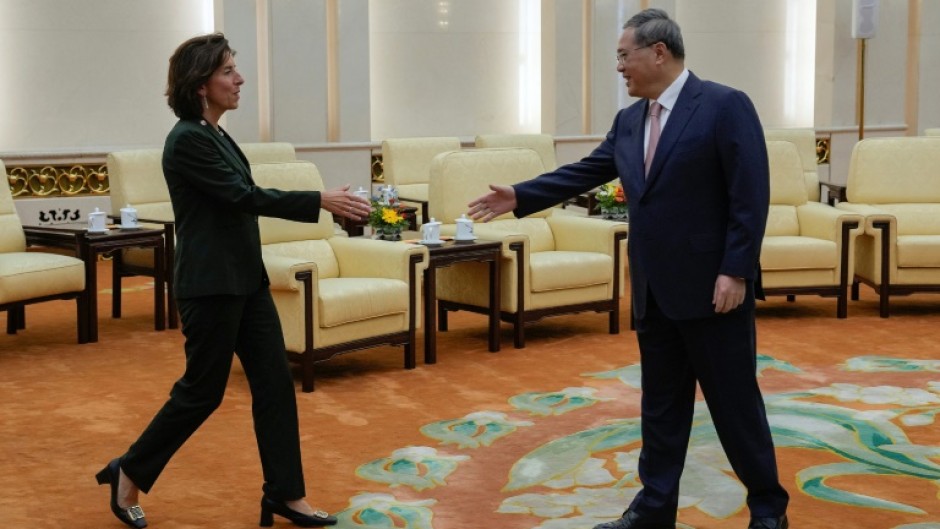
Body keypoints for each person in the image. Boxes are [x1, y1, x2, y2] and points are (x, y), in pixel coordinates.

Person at [467, 9, 789, 529]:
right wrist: (521, 195)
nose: (619, 67)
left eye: (624, 55)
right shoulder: (630, 120)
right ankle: (654, 510)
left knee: (735, 408)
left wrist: (736, 271)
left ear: (658, 52)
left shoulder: (725, 106)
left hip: (713, 291)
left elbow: (749, 197)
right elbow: (585, 172)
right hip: (653, 292)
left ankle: (769, 511)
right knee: (661, 408)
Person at [95, 33, 372, 528]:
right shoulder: (186, 140)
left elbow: (241, 197)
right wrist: (318, 200)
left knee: (274, 386)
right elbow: (243, 196)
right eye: (228, 71)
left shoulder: (215, 133)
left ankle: (285, 496)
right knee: (202, 393)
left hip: (246, 280)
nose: (239, 79)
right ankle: (129, 471)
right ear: (201, 84)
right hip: (210, 286)